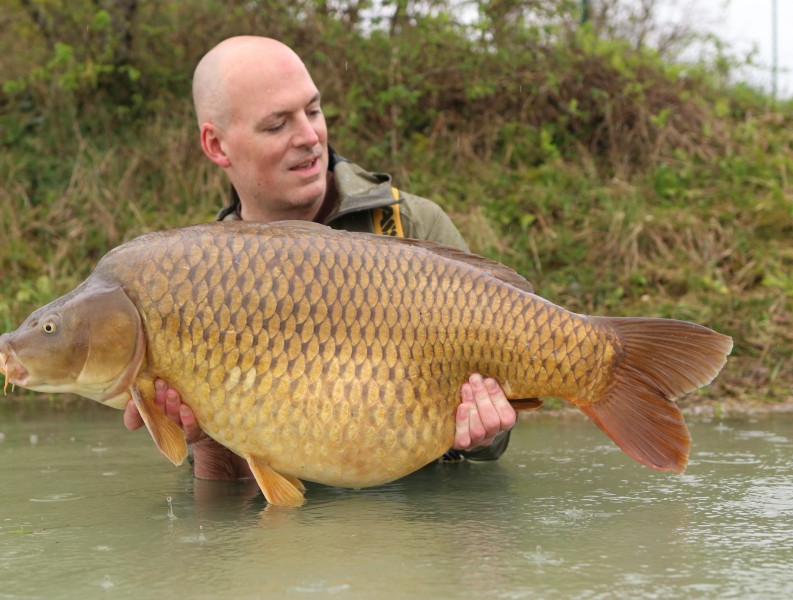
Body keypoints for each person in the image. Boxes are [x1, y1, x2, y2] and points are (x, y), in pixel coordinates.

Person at [123, 36, 518, 481]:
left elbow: (496, 439)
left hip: (426, 527)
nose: (310, 137)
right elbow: (227, 505)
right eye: (277, 125)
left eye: (312, 111)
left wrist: (485, 435)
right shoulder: (197, 286)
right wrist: (210, 444)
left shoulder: (412, 224)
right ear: (217, 146)